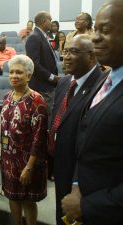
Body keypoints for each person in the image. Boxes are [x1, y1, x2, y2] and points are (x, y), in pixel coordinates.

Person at [61, 1, 123, 224]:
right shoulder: (107, 78)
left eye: (105, 31)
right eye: (95, 29)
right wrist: (77, 186)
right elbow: (86, 144)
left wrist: (86, 206)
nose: (95, 37)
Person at [48, 34, 103, 225]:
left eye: (73, 52)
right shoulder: (64, 82)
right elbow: (57, 119)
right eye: (65, 51)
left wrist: (77, 181)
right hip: (60, 163)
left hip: (81, 174)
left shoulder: (102, 85)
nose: (67, 56)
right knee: (61, 217)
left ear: (91, 56)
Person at [0, 55, 47, 225]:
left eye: (19, 72)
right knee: (12, 198)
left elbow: (39, 138)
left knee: (28, 200)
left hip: (28, 162)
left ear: (28, 76)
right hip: (8, 160)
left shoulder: (37, 101)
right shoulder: (6, 97)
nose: (14, 75)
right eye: (11, 72)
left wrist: (29, 167)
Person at [25, 11, 58, 115]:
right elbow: (34, 64)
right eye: (50, 20)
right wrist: (52, 77)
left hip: (47, 86)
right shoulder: (34, 37)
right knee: (44, 118)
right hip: (42, 87)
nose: (52, 23)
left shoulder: (43, 36)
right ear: (44, 21)